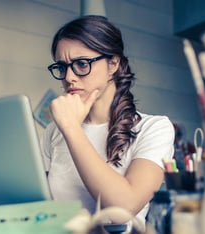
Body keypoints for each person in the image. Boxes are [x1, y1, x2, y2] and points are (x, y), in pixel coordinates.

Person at [41, 15, 175, 230]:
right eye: (62, 67)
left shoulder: (154, 128)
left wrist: (71, 128)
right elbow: (41, 208)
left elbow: (122, 209)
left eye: (82, 64)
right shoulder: (52, 133)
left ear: (113, 63)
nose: (69, 77)